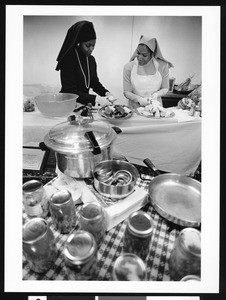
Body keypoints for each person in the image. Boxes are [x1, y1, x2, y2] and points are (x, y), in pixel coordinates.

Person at [56, 20, 115, 107]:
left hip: (84, 105)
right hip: (68, 105)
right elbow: (69, 91)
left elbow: (94, 83)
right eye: (88, 45)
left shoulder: (91, 60)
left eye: (93, 45)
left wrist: (106, 93)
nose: (91, 49)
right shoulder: (68, 59)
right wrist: (96, 99)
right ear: (80, 42)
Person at [123, 36, 174, 108]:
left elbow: (165, 88)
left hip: (155, 108)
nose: (140, 57)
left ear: (152, 54)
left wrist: (156, 95)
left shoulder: (163, 66)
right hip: (135, 108)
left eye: (144, 55)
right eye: (138, 53)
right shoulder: (128, 67)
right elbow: (126, 92)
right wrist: (139, 100)